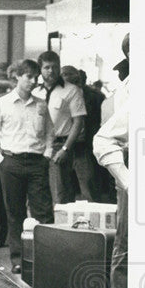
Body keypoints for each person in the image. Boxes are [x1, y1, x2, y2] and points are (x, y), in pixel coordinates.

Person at [0, 59, 54, 274]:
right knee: (14, 213)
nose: (34, 81)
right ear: (16, 76)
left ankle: (46, 258)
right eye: (29, 77)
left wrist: (47, 156)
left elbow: (50, 134)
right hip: (11, 162)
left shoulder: (41, 104)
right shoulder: (0, 105)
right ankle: (17, 259)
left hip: (36, 162)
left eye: (36, 78)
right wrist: (2, 161)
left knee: (42, 212)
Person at [92, 57, 129, 288]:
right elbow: (104, 138)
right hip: (133, 166)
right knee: (126, 239)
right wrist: (128, 181)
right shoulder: (130, 90)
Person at [36, 50, 88, 204]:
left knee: (59, 194)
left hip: (60, 146)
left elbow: (78, 122)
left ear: (59, 67)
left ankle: (57, 227)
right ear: (40, 69)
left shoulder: (72, 90)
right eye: (46, 67)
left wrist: (66, 149)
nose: (51, 71)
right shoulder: (35, 91)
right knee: (37, 193)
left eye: (54, 67)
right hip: (38, 148)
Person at [64, 65, 110, 203]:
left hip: (85, 146)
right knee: (73, 186)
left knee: (88, 185)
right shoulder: (60, 94)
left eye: (77, 82)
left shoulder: (95, 96)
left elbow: (99, 122)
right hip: (70, 145)